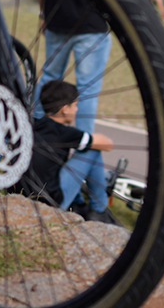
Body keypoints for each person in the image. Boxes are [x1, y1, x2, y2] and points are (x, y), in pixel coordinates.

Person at [33, 0, 124, 221]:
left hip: (56, 20)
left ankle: (32, 164)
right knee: (84, 106)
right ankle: (97, 204)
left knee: (46, 93)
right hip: (91, 25)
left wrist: (43, 11)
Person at [29, 80, 115, 222]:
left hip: (23, 197)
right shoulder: (64, 133)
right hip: (50, 205)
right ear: (65, 109)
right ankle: (99, 211)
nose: (76, 110)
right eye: (75, 105)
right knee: (92, 151)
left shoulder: (33, 124)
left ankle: (78, 204)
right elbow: (108, 144)